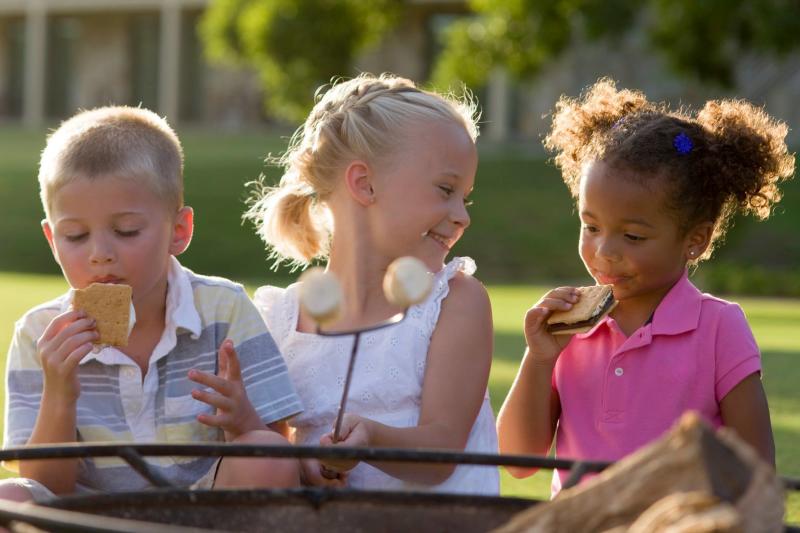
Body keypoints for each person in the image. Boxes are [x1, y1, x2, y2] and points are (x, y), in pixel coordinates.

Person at [497, 79, 793, 496]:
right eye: (591, 226)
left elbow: (756, 469)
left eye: (632, 237)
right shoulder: (567, 329)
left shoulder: (719, 329)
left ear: (696, 240)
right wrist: (539, 357)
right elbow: (516, 459)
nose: (604, 251)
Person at [1, 106, 303, 502]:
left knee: (270, 457)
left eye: (126, 231)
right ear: (52, 241)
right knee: (10, 497)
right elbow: (46, 486)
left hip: (202, 512)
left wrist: (241, 419)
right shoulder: (40, 335)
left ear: (178, 231)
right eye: (75, 236)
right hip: (86, 518)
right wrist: (60, 392)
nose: (99, 254)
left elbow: (277, 451)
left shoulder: (224, 310)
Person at [247, 73, 499, 494]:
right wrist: (308, 467)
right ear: (365, 184)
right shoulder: (282, 319)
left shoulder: (454, 302)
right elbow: (276, 450)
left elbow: (443, 450)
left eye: (465, 197)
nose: (462, 215)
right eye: (445, 189)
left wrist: (372, 439)